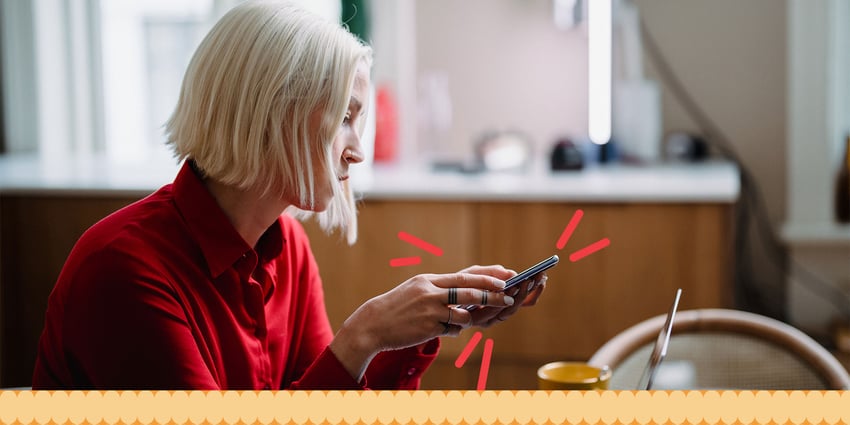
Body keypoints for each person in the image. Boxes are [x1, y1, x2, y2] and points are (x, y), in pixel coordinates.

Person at [32, 0, 547, 390]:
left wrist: (408, 331)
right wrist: (363, 335)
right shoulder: (124, 270)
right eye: (344, 118)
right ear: (270, 113)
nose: (356, 152)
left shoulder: (287, 250)